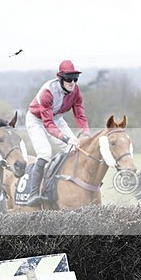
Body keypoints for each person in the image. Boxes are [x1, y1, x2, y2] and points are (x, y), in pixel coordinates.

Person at [25, 59, 90, 205]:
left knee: (75, 149)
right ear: (60, 78)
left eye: (75, 78)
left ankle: (72, 184)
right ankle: (33, 194)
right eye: (68, 79)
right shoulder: (47, 92)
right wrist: (66, 138)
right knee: (45, 153)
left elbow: (80, 115)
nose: (72, 82)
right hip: (37, 120)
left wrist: (85, 132)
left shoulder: (76, 90)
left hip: (56, 118)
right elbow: (47, 124)